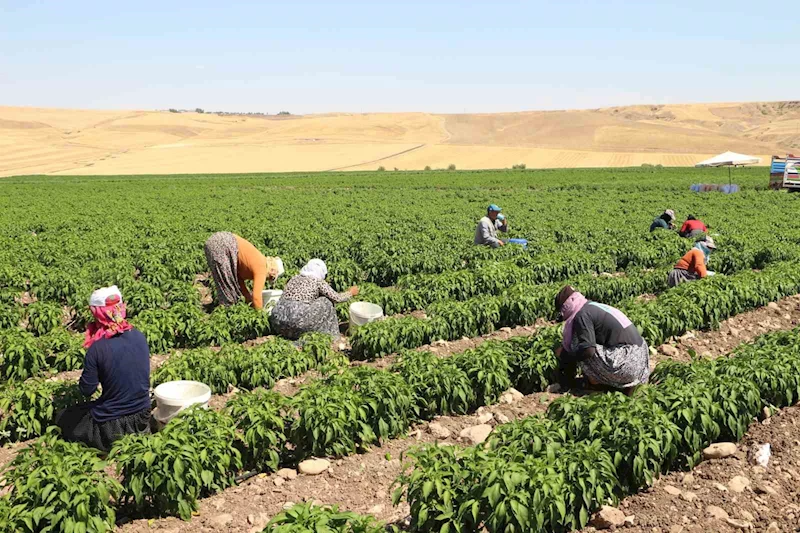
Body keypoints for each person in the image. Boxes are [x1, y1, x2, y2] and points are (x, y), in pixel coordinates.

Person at [55, 286, 151, 452]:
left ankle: (102, 447)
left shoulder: (98, 348)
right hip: (143, 416)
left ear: (97, 313)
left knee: (64, 417)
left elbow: (87, 390)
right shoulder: (139, 335)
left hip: (112, 426)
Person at [553, 285, 650, 394]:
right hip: (641, 363)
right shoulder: (592, 306)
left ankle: (594, 382)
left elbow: (588, 350)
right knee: (586, 340)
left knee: (577, 342)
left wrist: (566, 355)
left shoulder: (582, 315)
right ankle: (613, 382)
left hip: (628, 365)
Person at [270, 259, 358, 339]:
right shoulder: (317, 281)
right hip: (297, 322)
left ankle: (287, 335)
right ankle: (331, 335)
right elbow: (337, 298)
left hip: (277, 322)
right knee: (326, 301)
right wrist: (350, 293)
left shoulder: (293, 278)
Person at [204, 232, 284, 310]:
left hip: (214, 242)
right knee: (227, 292)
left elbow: (239, 282)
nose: (267, 279)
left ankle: (226, 310)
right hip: (223, 245)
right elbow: (256, 297)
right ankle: (226, 313)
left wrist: (248, 300)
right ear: (272, 271)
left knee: (225, 285)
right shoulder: (262, 268)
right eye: (270, 277)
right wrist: (260, 315)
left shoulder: (255, 263)